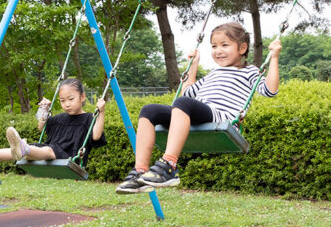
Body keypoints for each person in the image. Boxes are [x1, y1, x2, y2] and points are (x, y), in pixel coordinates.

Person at [116, 22, 281, 193]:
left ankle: (169, 165)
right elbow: (187, 94)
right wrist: (193, 65)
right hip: (199, 112)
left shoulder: (249, 72)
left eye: (225, 45)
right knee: (149, 110)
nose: (218, 51)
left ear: (242, 48)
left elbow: (270, 90)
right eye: (214, 46)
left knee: (182, 104)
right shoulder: (213, 74)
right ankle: (140, 172)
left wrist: (274, 58)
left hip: (220, 116)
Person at [0, 78, 107, 166]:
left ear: (82, 97)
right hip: (51, 151)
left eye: (71, 99)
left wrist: (101, 112)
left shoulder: (89, 118)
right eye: (62, 101)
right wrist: (43, 110)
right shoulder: (59, 119)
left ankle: (22, 148)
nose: (67, 104)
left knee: (46, 150)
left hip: (71, 157)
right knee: (29, 149)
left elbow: (95, 136)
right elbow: (41, 127)